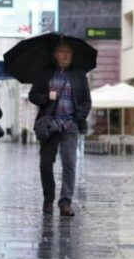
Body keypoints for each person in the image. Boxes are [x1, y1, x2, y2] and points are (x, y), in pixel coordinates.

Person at [29, 42, 91, 217]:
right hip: (50, 125)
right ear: (55, 54)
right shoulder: (45, 73)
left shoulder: (79, 75)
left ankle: (65, 202)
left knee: (70, 163)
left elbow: (86, 101)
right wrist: (47, 96)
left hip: (70, 125)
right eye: (61, 52)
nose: (65, 55)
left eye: (68, 52)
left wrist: (78, 119)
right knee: (45, 165)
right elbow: (33, 96)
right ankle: (48, 198)